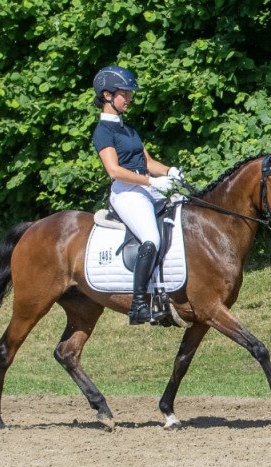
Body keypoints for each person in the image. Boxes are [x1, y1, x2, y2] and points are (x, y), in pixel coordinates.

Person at [92, 65, 183, 325]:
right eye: (125, 94)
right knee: (151, 239)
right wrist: (151, 182)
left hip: (145, 187)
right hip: (126, 192)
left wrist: (171, 172)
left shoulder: (129, 129)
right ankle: (139, 305)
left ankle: (168, 289)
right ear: (107, 95)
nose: (130, 98)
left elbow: (148, 161)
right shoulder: (103, 132)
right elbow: (114, 170)